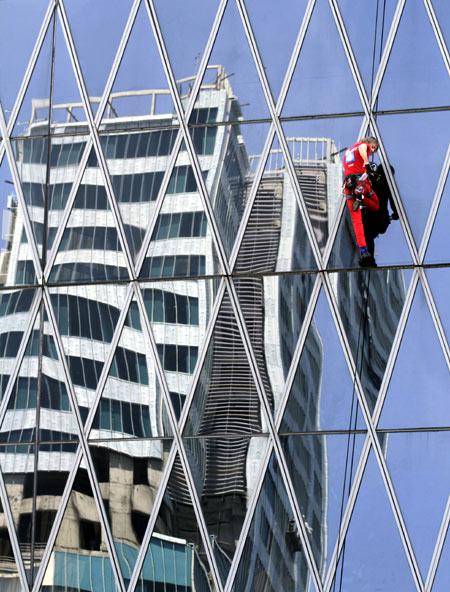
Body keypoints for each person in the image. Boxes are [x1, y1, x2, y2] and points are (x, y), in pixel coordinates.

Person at [342, 136, 380, 267]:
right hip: (360, 181)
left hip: (348, 185)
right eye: (374, 147)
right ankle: (363, 196)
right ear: (371, 143)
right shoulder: (363, 146)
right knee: (375, 204)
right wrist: (368, 165)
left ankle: (363, 251)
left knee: (357, 222)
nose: (373, 151)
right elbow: (364, 148)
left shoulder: (348, 151)